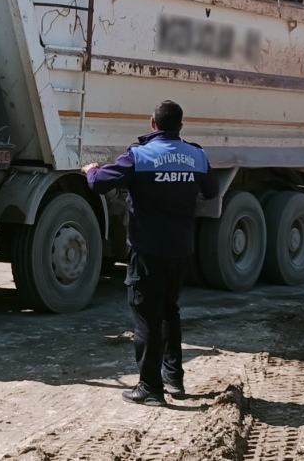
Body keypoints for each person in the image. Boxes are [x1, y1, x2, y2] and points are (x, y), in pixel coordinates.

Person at [83, 100, 218, 406]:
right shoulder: (197, 155)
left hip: (147, 250)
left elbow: (100, 184)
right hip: (181, 249)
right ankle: (174, 379)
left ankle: (150, 387)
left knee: (146, 316)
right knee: (170, 310)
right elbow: (211, 191)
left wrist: (91, 171)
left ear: (152, 124)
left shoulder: (139, 155)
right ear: (181, 126)